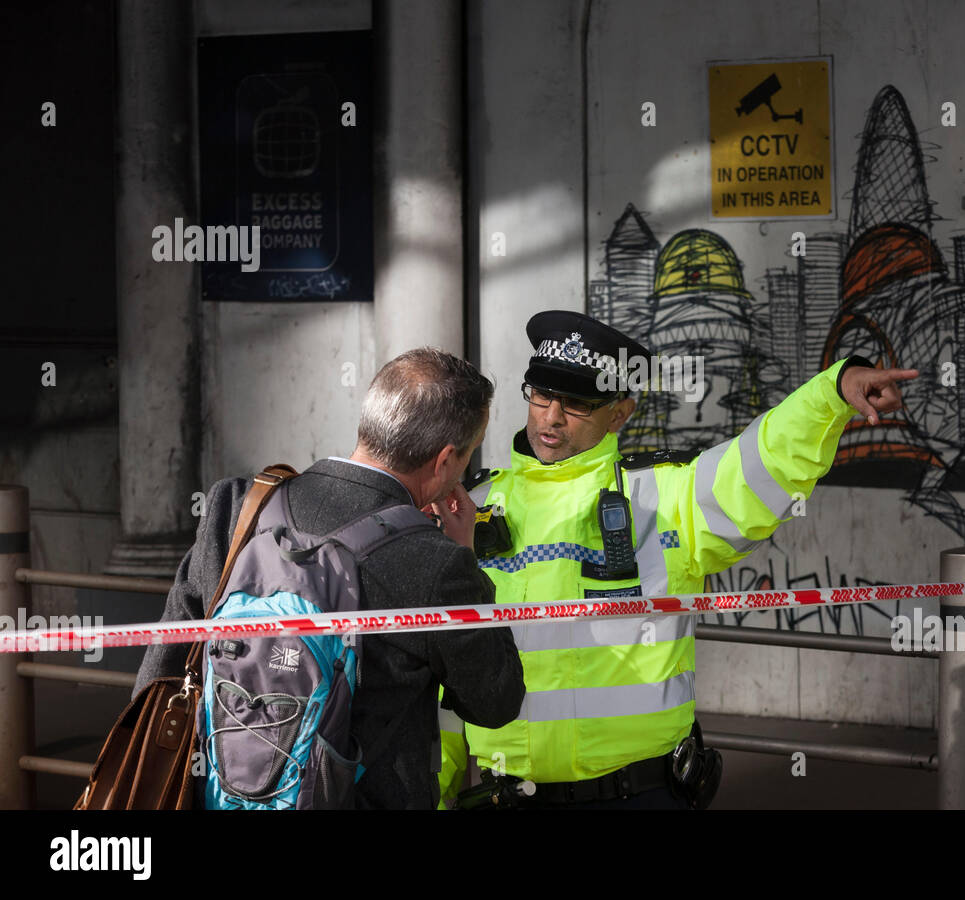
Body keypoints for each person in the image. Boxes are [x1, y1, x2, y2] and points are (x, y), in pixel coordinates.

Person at [438, 311, 917, 808]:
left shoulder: (664, 496)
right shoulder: (470, 507)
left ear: (620, 413)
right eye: (541, 393)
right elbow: (447, 669)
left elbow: (759, 463)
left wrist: (833, 393)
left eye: (578, 402)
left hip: (638, 795)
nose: (552, 416)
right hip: (508, 797)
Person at [134, 347, 525, 809]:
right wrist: (466, 557)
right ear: (444, 461)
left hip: (217, 796)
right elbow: (495, 701)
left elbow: (160, 668)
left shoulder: (236, 506)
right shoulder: (436, 564)